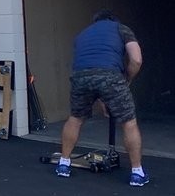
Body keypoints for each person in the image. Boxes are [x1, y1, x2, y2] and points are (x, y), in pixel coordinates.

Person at [55, 10, 148, 185]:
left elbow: (92, 71)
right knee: (129, 122)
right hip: (110, 76)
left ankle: (63, 163)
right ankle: (137, 173)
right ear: (113, 20)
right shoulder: (121, 29)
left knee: (75, 119)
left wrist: (103, 98)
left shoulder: (83, 34)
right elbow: (136, 60)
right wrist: (126, 80)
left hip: (81, 76)